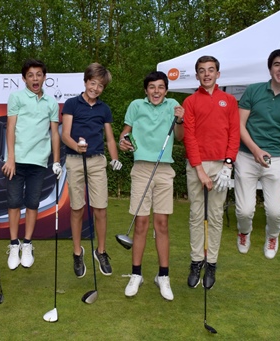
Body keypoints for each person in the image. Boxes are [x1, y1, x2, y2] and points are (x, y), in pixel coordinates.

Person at [118, 71, 184, 300]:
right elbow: (125, 132)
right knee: (141, 223)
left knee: (162, 224)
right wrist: (122, 140)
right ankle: (136, 274)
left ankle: (163, 276)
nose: (156, 91)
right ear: (146, 90)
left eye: (160, 87)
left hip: (164, 169)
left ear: (166, 90)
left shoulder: (174, 105)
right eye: (152, 87)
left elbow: (181, 136)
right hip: (142, 168)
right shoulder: (136, 105)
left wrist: (181, 120)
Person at [235, 48, 280, 259]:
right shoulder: (253, 91)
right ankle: (244, 232)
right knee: (244, 211)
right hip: (246, 156)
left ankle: (272, 236)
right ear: (270, 68)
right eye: (277, 64)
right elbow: (238, 125)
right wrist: (255, 150)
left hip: (276, 160)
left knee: (275, 212)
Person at [182, 56, 240, 290]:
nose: (206, 74)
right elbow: (189, 136)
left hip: (221, 166)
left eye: (211, 70)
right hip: (197, 165)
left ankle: (212, 263)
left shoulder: (229, 100)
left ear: (218, 74)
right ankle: (196, 262)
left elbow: (234, 134)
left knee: (215, 217)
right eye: (202, 71)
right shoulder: (190, 101)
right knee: (197, 216)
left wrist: (228, 164)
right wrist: (200, 170)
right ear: (196, 75)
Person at [61, 63, 122, 278]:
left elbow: (111, 138)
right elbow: (64, 134)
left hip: (96, 161)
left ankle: (101, 251)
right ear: (86, 81)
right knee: (77, 209)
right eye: (93, 83)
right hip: (75, 160)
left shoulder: (104, 109)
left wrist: (114, 159)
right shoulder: (71, 104)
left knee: (100, 209)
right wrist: (75, 146)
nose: (95, 88)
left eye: (100, 86)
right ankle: (78, 252)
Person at [2, 59, 61, 270]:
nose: (35, 78)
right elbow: (10, 128)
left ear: (44, 77)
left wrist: (55, 161)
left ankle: (27, 244)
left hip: (39, 161)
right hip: (16, 161)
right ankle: (14, 244)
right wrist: (10, 158)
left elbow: (54, 133)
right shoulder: (16, 97)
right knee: (14, 202)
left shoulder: (51, 103)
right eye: (30, 75)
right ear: (24, 78)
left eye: (38, 74)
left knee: (33, 203)